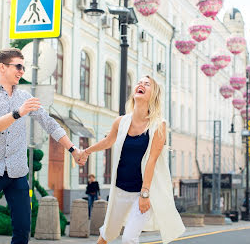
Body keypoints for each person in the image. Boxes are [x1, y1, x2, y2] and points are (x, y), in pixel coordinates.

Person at [0, 48, 84, 244]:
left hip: (17, 172)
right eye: (18, 66)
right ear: (2, 67)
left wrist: (73, 149)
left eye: (24, 67)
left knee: (23, 228)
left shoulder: (25, 97)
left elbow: (49, 124)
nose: (22, 71)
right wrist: (18, 113)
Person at [79, 75, 185, 244]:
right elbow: (107, 142)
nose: (141, 85)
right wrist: (86, 151)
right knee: (107, 234)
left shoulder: (159, 125)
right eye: (139, 82)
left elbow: (152, 160)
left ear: (153, 95)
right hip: (120, 190)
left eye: (147, 84)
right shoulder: (120, 122)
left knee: (129, 238)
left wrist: (145, 194)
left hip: (141, 192)